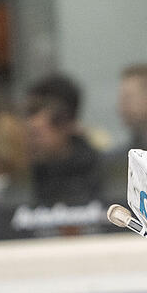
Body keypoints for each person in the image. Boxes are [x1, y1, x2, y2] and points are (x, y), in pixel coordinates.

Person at [24, 74, 103, 205]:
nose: (31, 142)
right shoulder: (27, 174)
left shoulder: (96, 171)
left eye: (37, 134)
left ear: (65, 126)